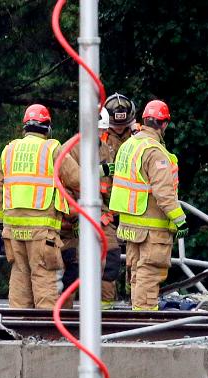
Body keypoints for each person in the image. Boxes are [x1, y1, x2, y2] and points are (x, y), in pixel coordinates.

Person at [0, 104, 80, 309]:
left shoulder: (9, 150)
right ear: (47, 128)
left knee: (19, 277)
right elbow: (78, 180)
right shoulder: (52, 149)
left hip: (12, 230)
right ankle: (45, 331)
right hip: (42, 230)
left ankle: (19, 328)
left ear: (25, 127)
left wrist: (0, 220)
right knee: (44, 277)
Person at [108, 100, 186, 311]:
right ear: (164, 124)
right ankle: (145, 317)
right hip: (151, 225)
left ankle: (138, 312)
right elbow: (163, 192)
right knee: (150, 271)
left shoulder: (128, 145)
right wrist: (180, 220)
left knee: (136, 271)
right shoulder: (155, 151)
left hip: (130, 224)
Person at [62, 93, 137, 306]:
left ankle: (104, 313)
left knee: (111, 259)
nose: (105, 133)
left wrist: (114, 208)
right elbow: (69, 180)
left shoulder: (104, 147)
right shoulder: (71, 148)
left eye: (106, 130)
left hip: (102, 211)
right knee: (75, 268)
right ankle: (74, 316)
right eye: (104, 129)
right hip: (76, 214)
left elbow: (108, 183)